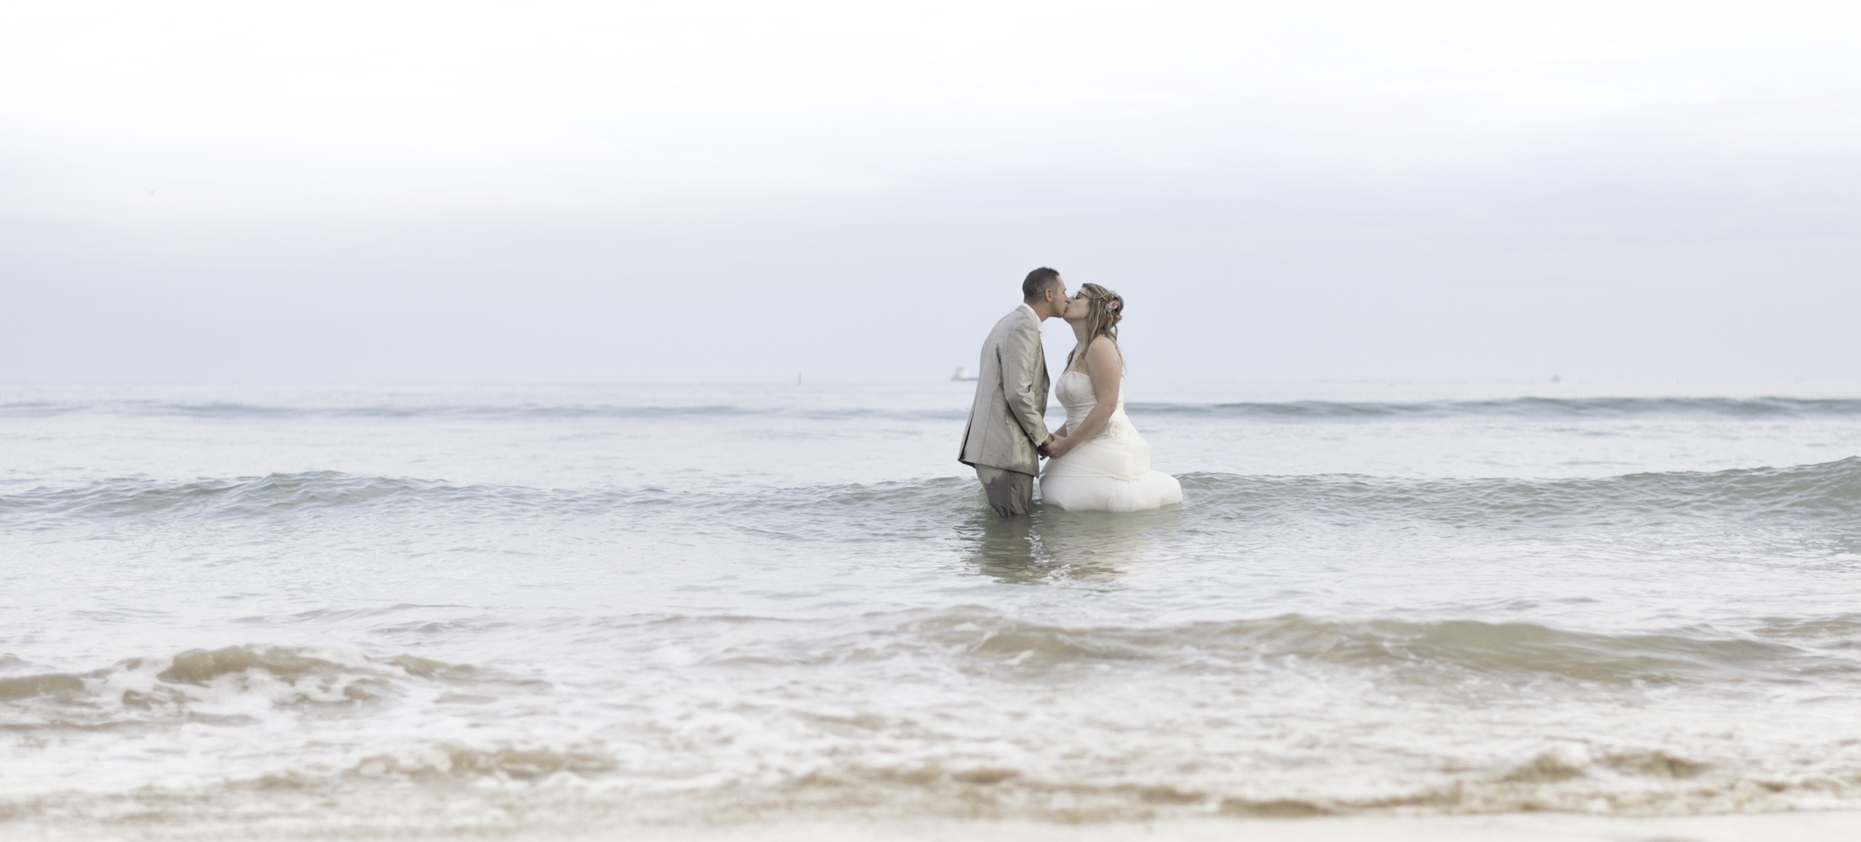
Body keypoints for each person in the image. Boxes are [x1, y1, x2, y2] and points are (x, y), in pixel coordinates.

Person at [1038, 283, 1183, 512]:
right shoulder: (1077, 351)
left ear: (1095, 306)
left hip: (1105, 443)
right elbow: (1081, 411)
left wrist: (1066, 445)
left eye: (1078, 296)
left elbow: (1107, 405)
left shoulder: (1101, 346)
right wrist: (1052, 439)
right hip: (1082, 441)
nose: (1069, 299)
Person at [958, 267, 1067, 516]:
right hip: (1007, 451)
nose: (1067, 298)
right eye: (1064, 292)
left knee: (1007, 531)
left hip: (997, 449)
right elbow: (1018, 393)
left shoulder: (1008, 322)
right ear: (1049, 294)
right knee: (1014, 532)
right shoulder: (1023, 327)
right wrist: (1044, 439)